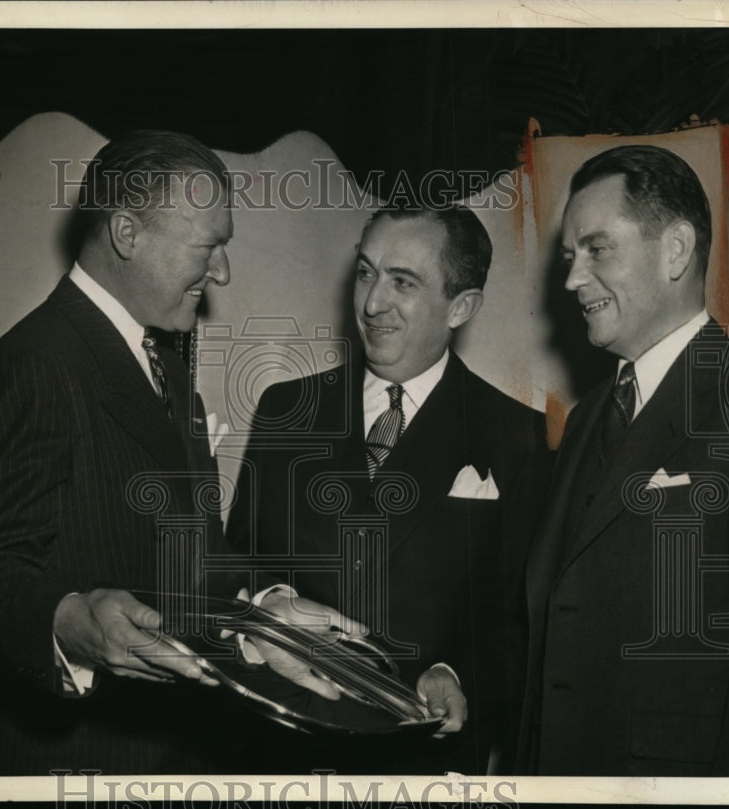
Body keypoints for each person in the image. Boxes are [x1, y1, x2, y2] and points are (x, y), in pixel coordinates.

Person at [0, 130, 364, 774]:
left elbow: (193, 549)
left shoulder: (165, 362)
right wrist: (65, 622)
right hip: (78, 760)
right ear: (126, 234)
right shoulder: (35, 365)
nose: (223, 271)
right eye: (210, 246)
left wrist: (260, 613)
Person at [225, 205, 549, 774]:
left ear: (462, 305)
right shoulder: (285, 409)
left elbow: (520, 622)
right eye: (366, 272)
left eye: (403, 282)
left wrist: (456, 676)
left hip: (422, 764)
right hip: (285, 753)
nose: (373, 304)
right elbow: (233, 563)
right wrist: (267, 605)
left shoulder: (517, 437)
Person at [518, 145, 729, 776]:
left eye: (598, 249)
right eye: (570, 257)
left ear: (675, 250)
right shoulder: (590, 413)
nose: (570, 280)